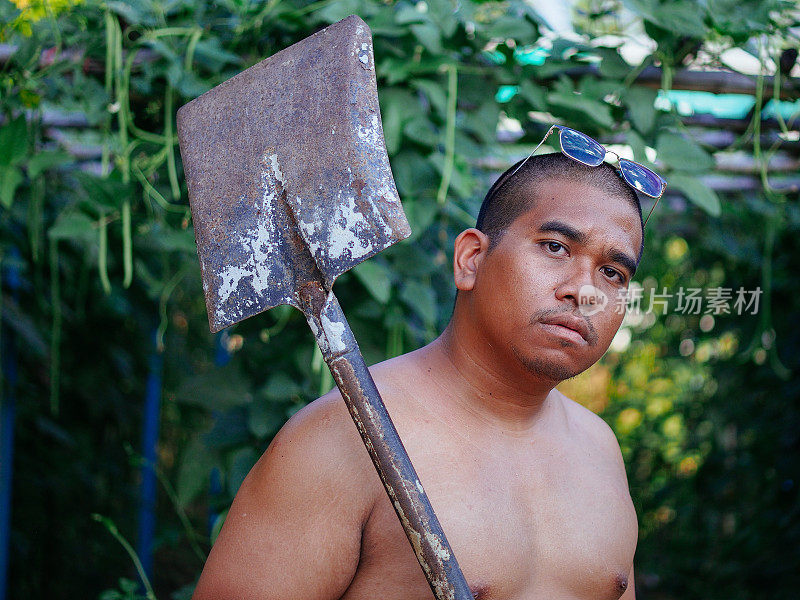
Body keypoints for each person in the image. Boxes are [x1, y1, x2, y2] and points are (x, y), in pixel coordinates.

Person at [192, 126, 665, 600]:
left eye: (612, 272)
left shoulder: (599, 451)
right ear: (471, 259)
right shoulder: (350, 437)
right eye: (555, 248)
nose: (584, 291)